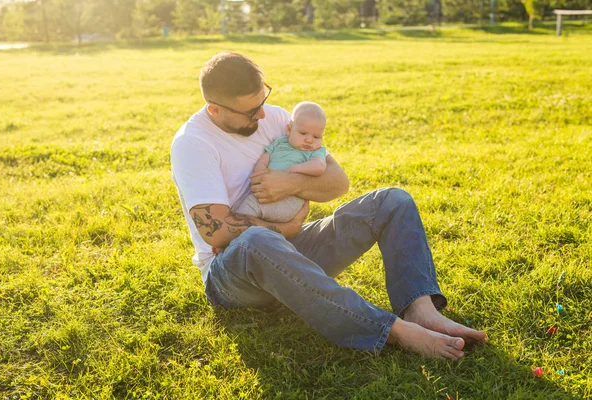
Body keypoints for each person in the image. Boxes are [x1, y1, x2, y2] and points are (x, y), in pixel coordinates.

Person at [170, 52, 488, 358]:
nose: (263, 115)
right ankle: (393, 331)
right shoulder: (193, 144)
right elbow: (217, 230)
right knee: (256, 240)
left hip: (291, 249)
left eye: (262, 101)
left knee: (393, 201)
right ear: (214, 111)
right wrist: (287, 227)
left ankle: (421, 310)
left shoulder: (278, 119)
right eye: (251, 111)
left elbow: (338, 181)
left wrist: (292, 183)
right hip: (234, 276)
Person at [234, 101, 327, 223]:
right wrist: (260, 176)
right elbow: (264, 159)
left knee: (250, 206)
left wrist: (294, 169)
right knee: (243, 208)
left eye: (316, 137)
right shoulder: (279, 142)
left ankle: (236, 231)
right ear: (289, 130)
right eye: (303, 133)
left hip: (291, 200)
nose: (309, 140)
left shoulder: (315, 151)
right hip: (268, 192)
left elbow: (319, 166)